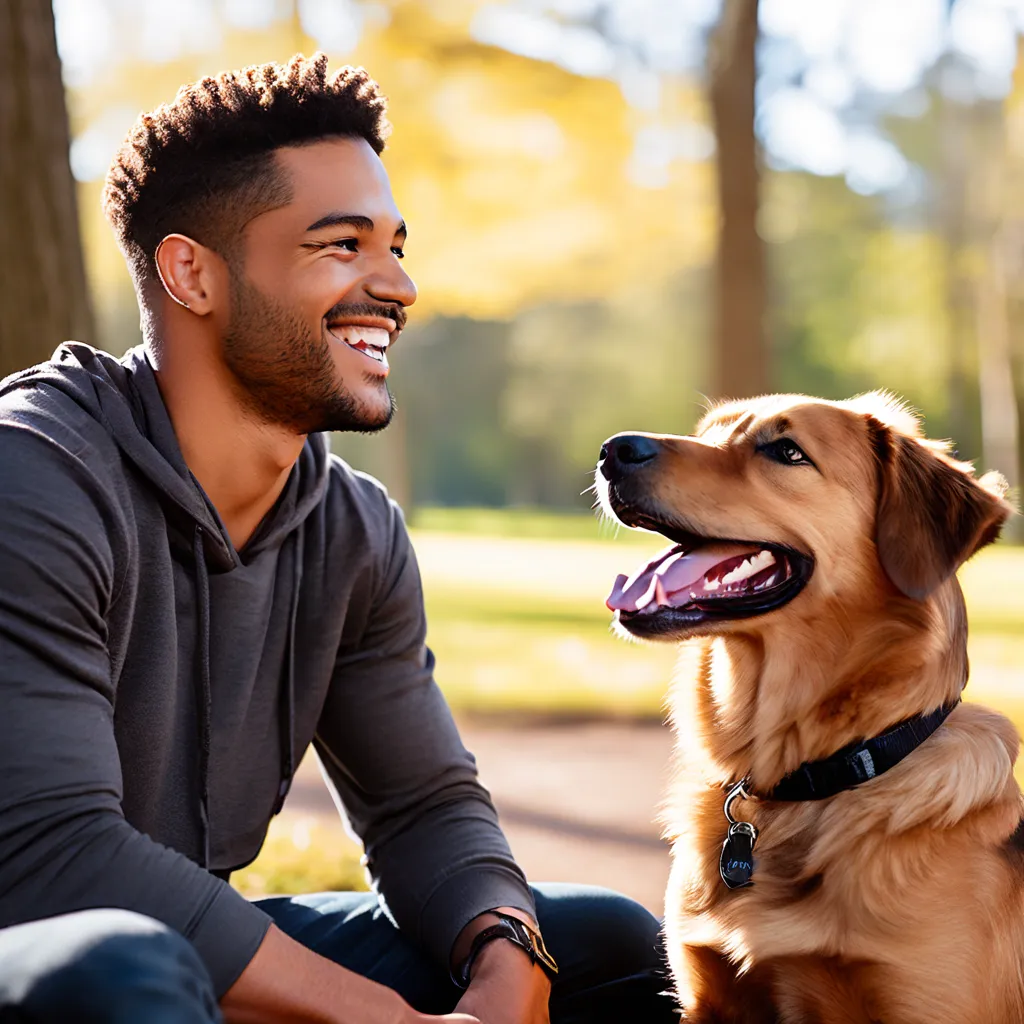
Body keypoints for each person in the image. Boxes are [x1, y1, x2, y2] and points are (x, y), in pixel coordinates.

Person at [0, 54, 675, 1024]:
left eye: (395, 245)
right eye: (340, 245)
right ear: (193, 272)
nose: (395, 283)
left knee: (605, 945)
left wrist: (506, 961)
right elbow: (49, 854)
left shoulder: (351, 528)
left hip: (164, 952)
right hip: (50, 945)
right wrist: (386, 1019)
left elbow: (421, 805)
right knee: (120, 968)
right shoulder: (34, 475)